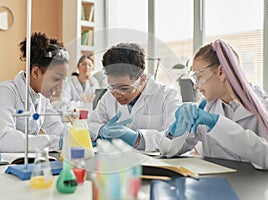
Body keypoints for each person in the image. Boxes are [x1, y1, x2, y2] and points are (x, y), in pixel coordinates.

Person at [165, 39, 268, 169]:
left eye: (199, 76)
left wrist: (217, 123)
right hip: (214, 185)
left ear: (221, 72)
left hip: (255, 188)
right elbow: (168, 151)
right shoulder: (205, 109)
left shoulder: (264, 105)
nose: (196, 86)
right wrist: (175, 131)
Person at [0, 32, 70, 152]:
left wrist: (74, 134)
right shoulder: (6, 92)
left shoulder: (41, 98)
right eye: (56, 79)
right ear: (36, 72)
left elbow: (56, 127)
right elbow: (2, 140)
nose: (60, 86)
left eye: (63, 80)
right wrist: (56, 142)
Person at [88, 42, 181, 150]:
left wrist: (137, 139)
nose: (117, 94)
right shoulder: (109, 96)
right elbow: (90, 123)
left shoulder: (168, 96)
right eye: (112, 86)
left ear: (142, 79)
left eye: (124, 88)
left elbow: (175, 140)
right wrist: (101, 130)